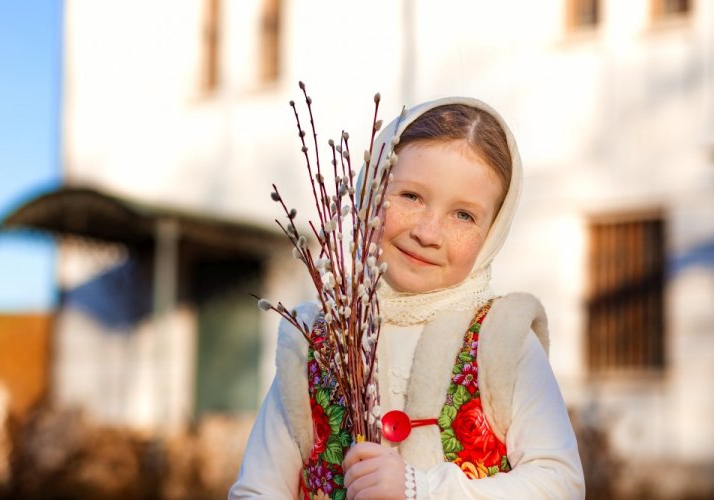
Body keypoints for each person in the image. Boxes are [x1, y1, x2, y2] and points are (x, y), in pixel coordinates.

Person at [229, 96, 585, 499]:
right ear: (370, 193)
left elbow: (560, 483)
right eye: (411, 197)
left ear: (492, 232)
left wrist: (421, 489)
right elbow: (258, 489)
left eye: (463, 215)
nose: (428, 233)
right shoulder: (318, 341)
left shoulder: (502, 340)